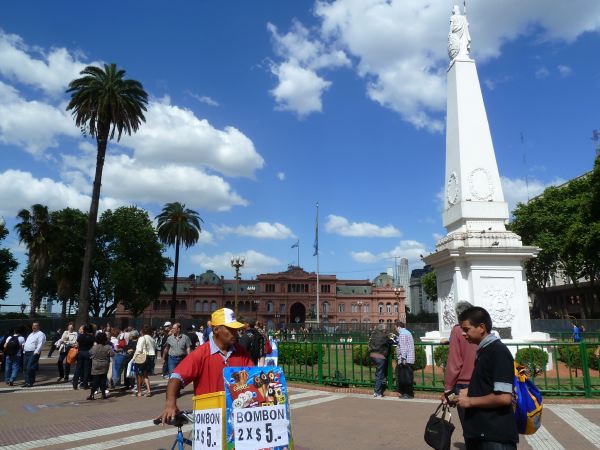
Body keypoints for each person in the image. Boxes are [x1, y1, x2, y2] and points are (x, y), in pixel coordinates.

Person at [157, 308, 253, 424]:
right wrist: (170, 404)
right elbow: (176, 378)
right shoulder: (200, 353)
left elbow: (252, 379)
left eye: (236, 329)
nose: (235, 333)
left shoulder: (242, 352)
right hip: (208, 421)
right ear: (216, 329)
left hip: (237, 418)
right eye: (230, 329)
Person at [455, 306, 518, 450]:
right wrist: (469, 391)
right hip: (483, 433)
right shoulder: (484, 351)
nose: (463, 334)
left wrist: (470, 401)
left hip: (494, 437)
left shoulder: (497, 352)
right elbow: (488, 384)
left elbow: (503, 397)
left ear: (481, 327)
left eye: (466, 329)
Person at [442, 301, 477, 427]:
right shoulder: (479, 329)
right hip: (479, 381)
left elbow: (454, 361)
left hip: (462, 384)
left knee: (468, 425)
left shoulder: (457, 330)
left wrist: (448, 387)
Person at [88, 332, 114, 400]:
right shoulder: (107, 347)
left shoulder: (94, 347)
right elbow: (112, 354)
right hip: (104, 365)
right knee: (103, 380)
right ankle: (103, 394)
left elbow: (90, 353)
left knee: (95, 381)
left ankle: (92, 395)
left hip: (96, 365)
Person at [368, 324, 392, 398]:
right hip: (380, 355)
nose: (386, 330)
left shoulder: (373, 334)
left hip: (372, 355)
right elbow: (389, 342)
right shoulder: (383, 336)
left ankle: (380, 385)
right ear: (383, 330)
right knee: (380, 374)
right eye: (385, 329)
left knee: (378, 372)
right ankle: (377, 392)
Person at [133, 325, 156, 397]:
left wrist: (133, 358)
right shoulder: (152, 339)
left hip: (142, 357)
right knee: (145, 375)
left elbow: (139, 349)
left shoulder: (142, 338)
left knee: (139, 375)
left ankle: (139, 392)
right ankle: (148, 390)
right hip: (150, 357)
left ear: (143, 331)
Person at [394, 321, 415, 399]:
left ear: (398, 327)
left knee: (405, 377)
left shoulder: (402, 334)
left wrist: (403, 358)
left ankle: (407, 394)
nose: (396, 330)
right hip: (409, 358)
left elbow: (403, 347)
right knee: (408, 376)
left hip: (405, 359)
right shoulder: (407, 332)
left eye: (395, 328)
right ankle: (407, 393)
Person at [22, 322, 46, 387]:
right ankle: (27, 382)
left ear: (38, 326)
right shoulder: (31, 334)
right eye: (33, 325)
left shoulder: (40, 334)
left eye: (36, 326)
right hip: (26, 352)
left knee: (30, 367)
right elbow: (27, 342)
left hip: (33, 352)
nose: (34, 327)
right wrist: (24, 350)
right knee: (25, 368)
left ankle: (30, 382)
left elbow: (40, 343)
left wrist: (36, 351)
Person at [72, 324, 95, 390]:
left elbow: (77, 344)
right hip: (88, 353)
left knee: (78, 369)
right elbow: (93, 346)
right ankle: (85, 385)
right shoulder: (92, 337)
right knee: (86, 369)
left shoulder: (81, 336)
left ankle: (75, 384)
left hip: (80, 352)